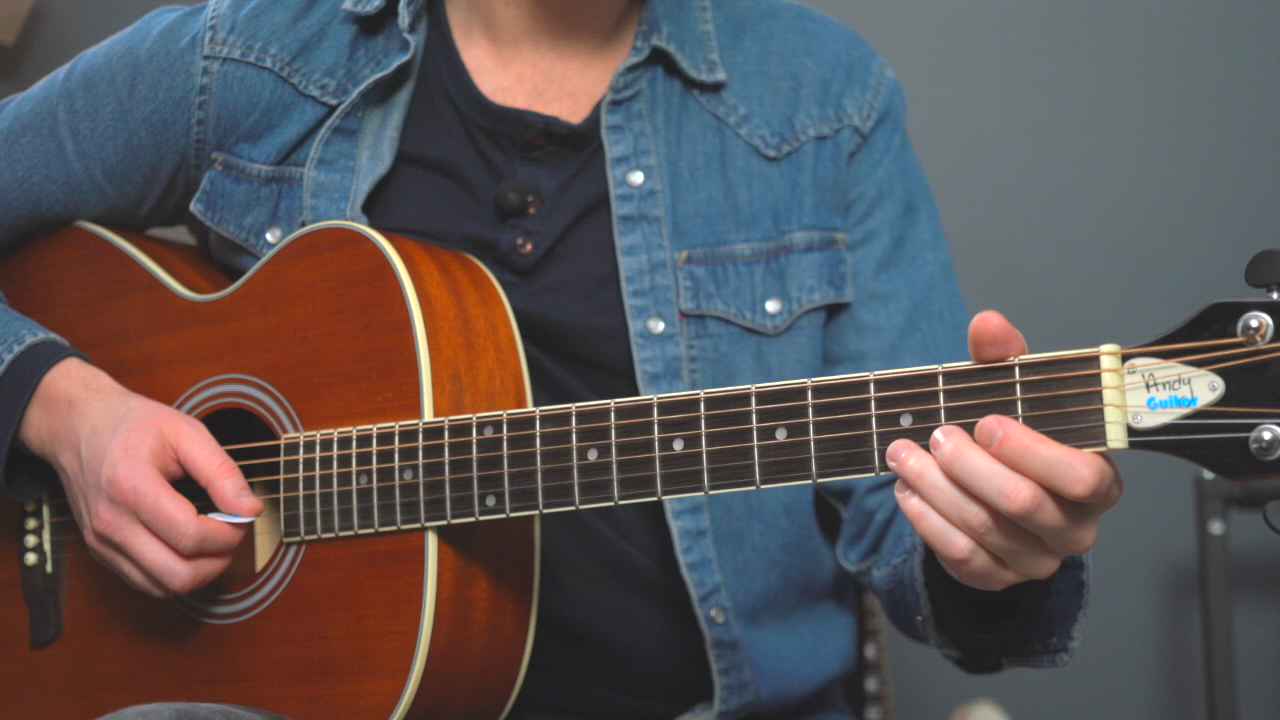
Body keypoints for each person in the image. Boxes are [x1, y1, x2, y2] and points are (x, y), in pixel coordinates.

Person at [0, 0, 1120, 717]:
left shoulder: (826, 102)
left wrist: (992, 560)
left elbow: (905, 520)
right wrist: (65, 410)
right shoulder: (252, 53)